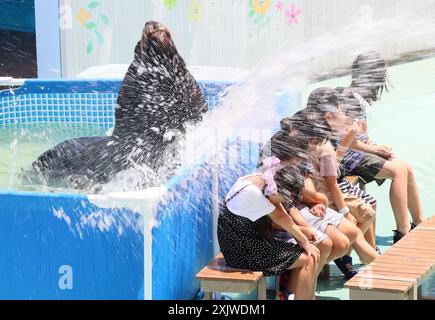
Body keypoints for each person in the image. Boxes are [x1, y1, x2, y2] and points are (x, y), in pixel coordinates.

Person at [29, 21, 207, 192]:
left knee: (57, 160)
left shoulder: (136, 73)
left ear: (143, 45)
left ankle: (29, 176)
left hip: (125, 157)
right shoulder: (182, 75)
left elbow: (123, 124)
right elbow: (200, 116)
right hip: (154, 160)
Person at [337, 52, 425, 243]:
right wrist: (375, 150)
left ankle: (418, 223)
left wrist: (376, 146)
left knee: (406, 167)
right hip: (346, 157)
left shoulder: (354, 96)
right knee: (398, 171)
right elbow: (348, 140)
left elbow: (359, 135)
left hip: (356, 152)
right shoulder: (351, 98)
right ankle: (402, 232)